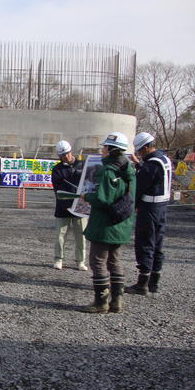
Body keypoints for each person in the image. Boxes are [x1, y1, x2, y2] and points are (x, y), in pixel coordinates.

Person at [80, 132, 136, 314]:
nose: (102, 150)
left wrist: (87, 197)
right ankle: (117, 301)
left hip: (105, 224)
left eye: (104, 147)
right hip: (121, 222)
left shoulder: (109, 171)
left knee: (97, 260)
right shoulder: (129, 169)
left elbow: (104, 199)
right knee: (114, 260)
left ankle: (101, 302)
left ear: (112, 149)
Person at [126, 132, 172, 295]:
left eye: (139, 150)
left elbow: (140, 187)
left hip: (149, 207)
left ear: (146, 147)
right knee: (157, 244)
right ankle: (154, 282)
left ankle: (142, 284)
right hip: (162, 206)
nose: (139, 153)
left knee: (145, 243)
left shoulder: (150, 165)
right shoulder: (164, 159)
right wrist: (139, 165)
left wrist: (134, 205)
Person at [51, 140, 88, 271]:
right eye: (62, 155)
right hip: (63, 207)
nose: (66, 157)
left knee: (81, 236)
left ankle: (80, 261)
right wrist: (68, 203)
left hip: (81, 207)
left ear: (71, 151)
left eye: (67, 153)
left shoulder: (83, 165)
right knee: (60, 235)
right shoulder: (57, 169)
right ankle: (58, 259)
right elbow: (58, 190)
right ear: (59, 157)